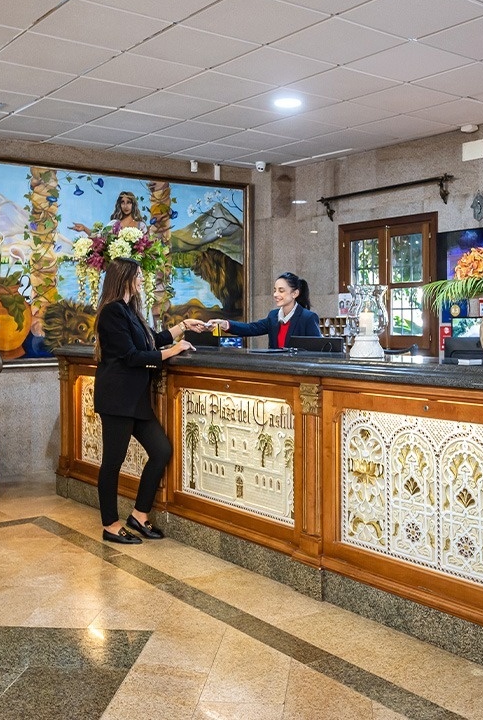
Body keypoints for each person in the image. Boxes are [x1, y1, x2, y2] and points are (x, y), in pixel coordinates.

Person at [93, 257, 205, 544]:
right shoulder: (111, 312)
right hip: (117, 398)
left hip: (135, 398)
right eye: (139, 275)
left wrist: (182, 327)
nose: (142, 280)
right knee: (113, 463)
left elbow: (150, 340)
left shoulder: (129, 310)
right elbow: (132, 357)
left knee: (161, 450)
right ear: (126, 278)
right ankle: (110, 525)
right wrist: (175, 350)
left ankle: (139, 515)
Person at [207, 272, 321, 349]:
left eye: (281, 291)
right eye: (275, 290)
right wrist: (225, 324)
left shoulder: (308, 317)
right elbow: (251, 328)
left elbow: (318, 349)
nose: (276, 294)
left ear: (295, 293)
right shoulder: (273, 316)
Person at [69, 191, 146, 234]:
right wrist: (84, 228)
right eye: (123, 202)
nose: (125, 206)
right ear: (120, 205)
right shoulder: (114, 224)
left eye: (128, 202)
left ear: (133, 205)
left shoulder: (140, 225)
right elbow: (99, 236)